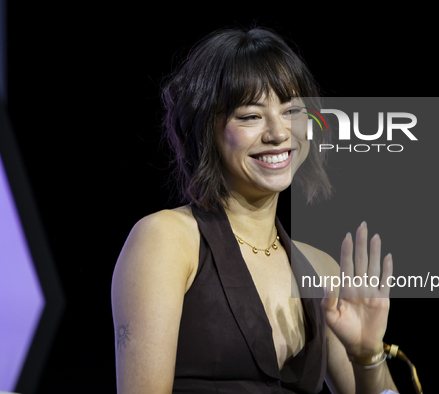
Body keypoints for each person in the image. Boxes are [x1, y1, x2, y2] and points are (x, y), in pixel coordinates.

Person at [111, 26, 398, 394]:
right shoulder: (166, 240)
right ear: (206, 130)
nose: (278, 133)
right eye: (250, 116)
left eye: (292, 110)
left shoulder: (321, 269)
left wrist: (367, 356)